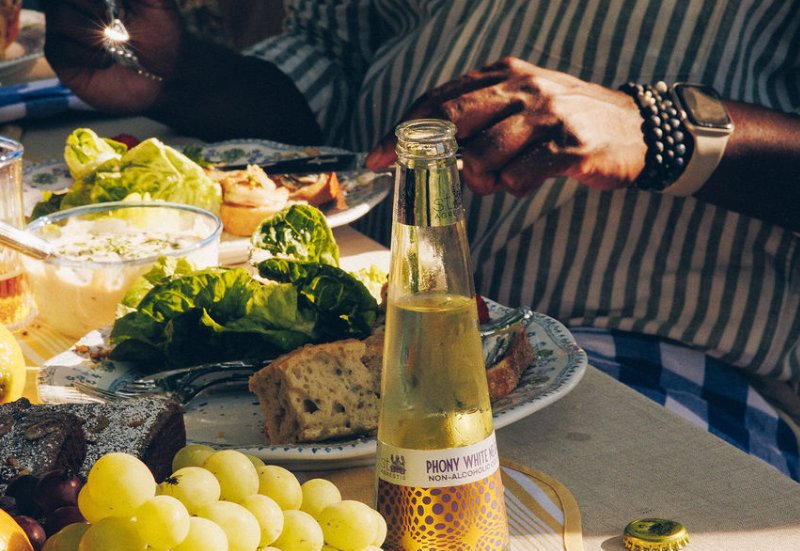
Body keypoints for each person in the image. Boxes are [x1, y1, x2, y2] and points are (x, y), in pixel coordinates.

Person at [42, 0, 800, 478]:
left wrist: (664, 131)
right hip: (379, 334)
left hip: (653, 366)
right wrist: (179, 74)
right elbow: (331, 71)